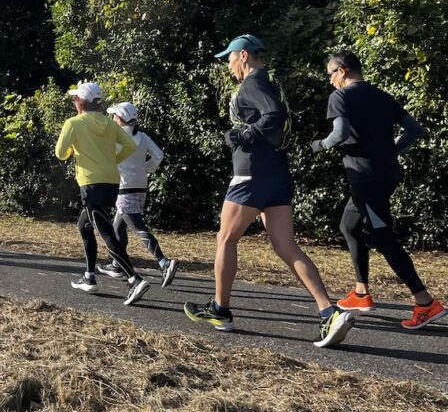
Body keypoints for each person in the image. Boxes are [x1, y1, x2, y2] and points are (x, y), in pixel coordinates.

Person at [184, 34, 356, 348]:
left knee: (225, 238)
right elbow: (278, 116)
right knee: (285, 245)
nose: (229, 66)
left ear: (244, 56)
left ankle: (220, 309)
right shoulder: (271, 81)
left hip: (252, 174)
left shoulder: (252, 84)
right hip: (277, 173)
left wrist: (244, 135)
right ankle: (329, 312)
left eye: (230, 58)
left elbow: (273, 116)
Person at [312, 50, 445, 330]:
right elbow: (415, 130)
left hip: (366, 177)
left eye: (330, 75)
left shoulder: (341, 97)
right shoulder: (382, 96)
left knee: (383, 237)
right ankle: (361, 293)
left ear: (343, 71)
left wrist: (320, 145)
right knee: (349, 226)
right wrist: (389, 151)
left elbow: (340, 132)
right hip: (385, 174)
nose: (330, 81)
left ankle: (425, 303)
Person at [55, 80, 151, 306]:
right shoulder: (110, 124)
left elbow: (61, 153)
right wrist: (111, 160)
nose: (73, 101)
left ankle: (134, 278)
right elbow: (129, 145)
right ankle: (89, 277)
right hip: (111, 182)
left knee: (106, 232)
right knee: (84, 225)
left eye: (74, 98)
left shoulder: (73, 123)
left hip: (91, 184)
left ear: (80, 101)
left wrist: (74, 150)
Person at [96, 102, 178, 287]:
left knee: (138, 227)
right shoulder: (142, 136)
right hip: (140, 186)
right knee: (118, 227)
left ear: (120, 119)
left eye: (114, 116)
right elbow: (158, 155)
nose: (112, 118)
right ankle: (117, 264)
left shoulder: (115, 138)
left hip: (124, 187)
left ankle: (164, 262)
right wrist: (146, 168)